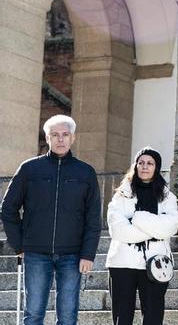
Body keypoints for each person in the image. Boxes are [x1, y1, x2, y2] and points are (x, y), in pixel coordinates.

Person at [1, 114, 102, 325]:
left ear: (73, 137)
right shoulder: (29, 169)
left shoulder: (85, 172)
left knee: (67, 317)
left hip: (73, 255)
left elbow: (93, 219)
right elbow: (8, 208)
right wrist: (19, 244)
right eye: (54, 135)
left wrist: (88, 254)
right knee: (34, 315)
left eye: (65, 134)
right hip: (36, 253)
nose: (60, 139)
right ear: (47, 138)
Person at [106, 147, 178, 325]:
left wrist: (137, 218)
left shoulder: (167, 197)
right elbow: (119, 231)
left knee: (153, 318)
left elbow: (170, 227)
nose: (145, 167)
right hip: (122, 264)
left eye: (150, 163)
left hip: (156, 264)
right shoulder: (121, 196)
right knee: (122, 317)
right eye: (141, 163)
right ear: (135, 166)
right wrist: (154, 229)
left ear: (156, 167)